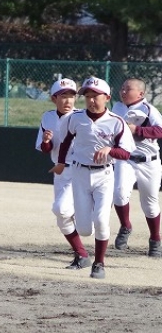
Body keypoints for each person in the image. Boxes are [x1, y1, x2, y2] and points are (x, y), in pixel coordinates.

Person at [51, 77, 135, 279]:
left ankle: (99, 263)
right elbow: (65, 142)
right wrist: (61, 162)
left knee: (101, 221)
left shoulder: (116, 121)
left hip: (104, 175)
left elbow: (126, 153)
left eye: (95, 96)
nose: (91, 100)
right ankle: (85, 254)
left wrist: (110, 150)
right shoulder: (76, 118)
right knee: (84, 229)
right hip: (79, 174)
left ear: (107, 98)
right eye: (87, 96)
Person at [35, 78, 91, 269]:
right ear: (54, 99)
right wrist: (46, 141)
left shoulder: (83, 117)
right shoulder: (48, 117)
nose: (68, 100)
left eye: (71, 96)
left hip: (79, 170)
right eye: (63, 96)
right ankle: (82, 255)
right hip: (60, 172)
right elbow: (45, 149)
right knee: (62, 219)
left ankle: (88, 209)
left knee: (61, 209)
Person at [111, 78, 162, 257]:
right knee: (119, 194)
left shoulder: (148, 109)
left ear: (140, 93)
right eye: (122, 88)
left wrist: (138, 130)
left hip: (149, 162)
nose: (123, 91)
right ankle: (126, 226)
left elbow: (160, 130)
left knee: (150, 204)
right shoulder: (117, 108)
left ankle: (155, 239)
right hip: (126, 159)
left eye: (128, 89)